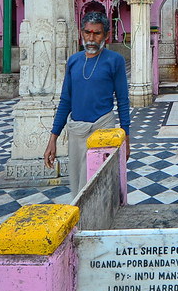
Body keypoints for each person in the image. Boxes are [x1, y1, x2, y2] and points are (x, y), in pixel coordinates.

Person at [44, 12, 130, 196]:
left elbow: (123, 101)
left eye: (97, 33)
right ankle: (81, 224)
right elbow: (65, 101)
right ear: (81, 32)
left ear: (106, 35)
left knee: (99, 186)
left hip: (103, 130)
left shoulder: (115, 61)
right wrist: (53, 139)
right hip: (76, 131)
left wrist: (126, 140)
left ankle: (100, 224)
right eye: (87, 32)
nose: (91, 38)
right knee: (77, 187)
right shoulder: (74, 61)